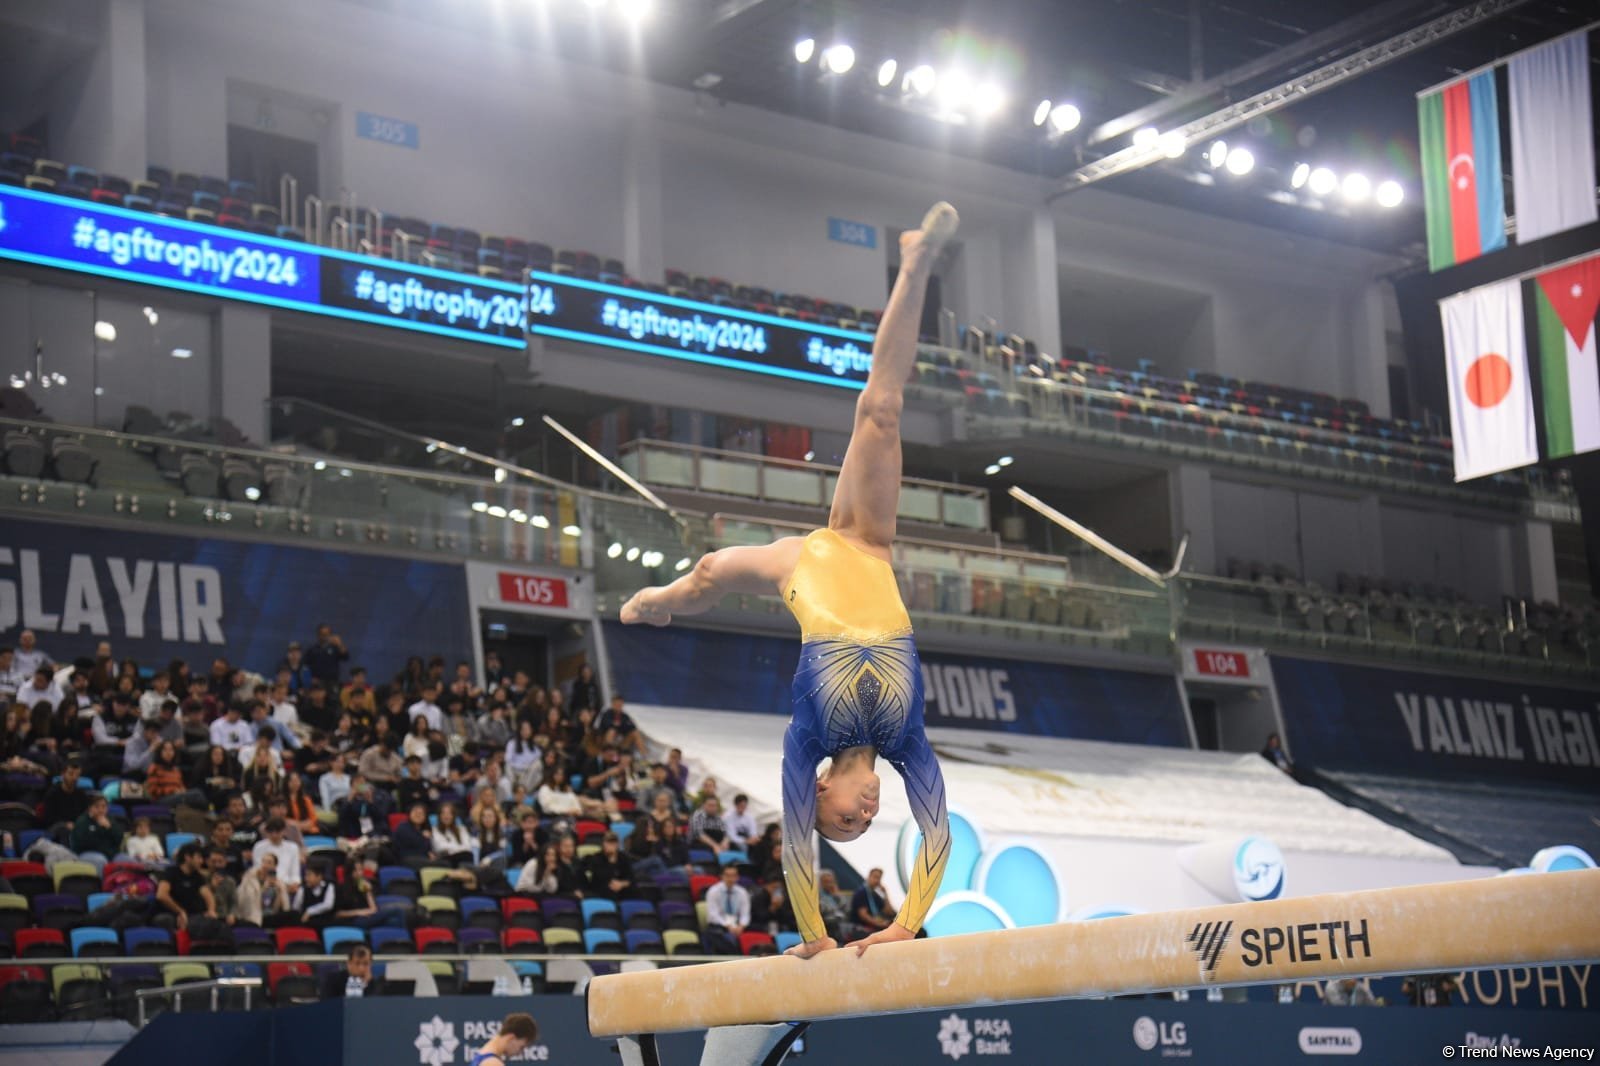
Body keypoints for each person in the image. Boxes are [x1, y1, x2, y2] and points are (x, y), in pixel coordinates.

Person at [621, 204, 958, 959]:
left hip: (802, 566)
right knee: (882, 409)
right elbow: (937, 829)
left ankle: (661, 603)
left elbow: (797, 852)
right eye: (866, 824)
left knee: (707, 572)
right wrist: (905, 923)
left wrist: (814, 935)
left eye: (844, 820)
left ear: (819, 799)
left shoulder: (805, 743)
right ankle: (918, 262)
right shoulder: (907, 741)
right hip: (867, 549)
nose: (863, 815)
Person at [702, 863, 750, 954]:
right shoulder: (713, 891)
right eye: (728, 876)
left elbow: (745, 914)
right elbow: (713, 914)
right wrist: (727, 925)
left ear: (737, 877)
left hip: (737, 926)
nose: (731, 879)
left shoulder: (742, 892)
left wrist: (741, 926)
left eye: (733, 876)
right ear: (722, 876)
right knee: (713, 935)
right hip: (719, 926)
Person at [469, 1012, 540, 1066]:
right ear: (511, 1038)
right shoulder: (492, 1063)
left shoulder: (482, 1054)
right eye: (521, 1047)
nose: (520, 1053)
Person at [321, 942, 385, 998]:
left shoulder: (374, 983)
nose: (361, 968)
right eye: (357, 963)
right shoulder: (333, 980)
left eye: (365, 963)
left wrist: (365, 983)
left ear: (370, 964)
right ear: (349, 963)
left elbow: (374, 1005)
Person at [851, 866, 896, 935]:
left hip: (876, 926)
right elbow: (863, 916)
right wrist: (880, 924)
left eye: (879, 878)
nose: (877, 880)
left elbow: (889, 912)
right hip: (863, 927)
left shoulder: (875, 895)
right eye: (875, 877)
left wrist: (885, 894)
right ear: (869, 876)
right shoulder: (861, 893)